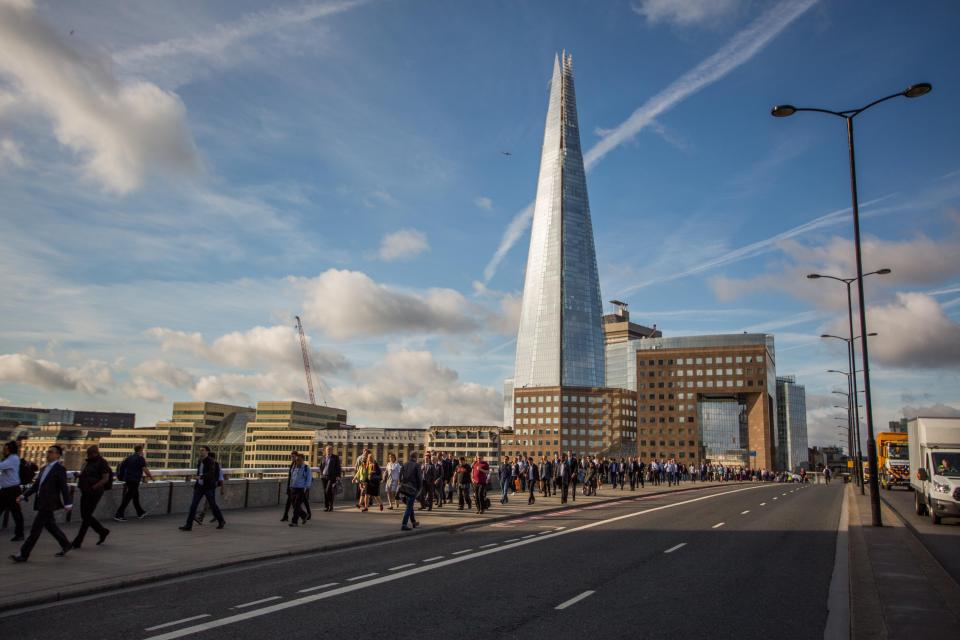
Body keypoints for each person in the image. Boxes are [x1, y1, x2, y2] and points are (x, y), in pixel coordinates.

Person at [11, 445, 73, 562]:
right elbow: (36, 486)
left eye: (51, 452)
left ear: (58, 455)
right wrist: (24, 495)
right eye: (48, 451)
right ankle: (66, 544)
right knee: (50, 526)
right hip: (41, 501)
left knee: (35, 530)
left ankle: (23, 554)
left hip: (49, 503)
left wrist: (68, 503)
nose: (47, 454)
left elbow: (64, 488)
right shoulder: (44, 468)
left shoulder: (60, 469)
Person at [71, 445, 112, 548]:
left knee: (86, 516)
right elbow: (87, 475)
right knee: (85, 515)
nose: (88, 455)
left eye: (89, 454)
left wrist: (95, 486)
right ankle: (102, 531)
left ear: (95, 453)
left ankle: (78, 540)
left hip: (95, 492)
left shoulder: (102, 462)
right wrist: (79, 476)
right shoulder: (88, 462)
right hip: (85, 490)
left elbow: (105, 478)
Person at [179, 446, 224, 531]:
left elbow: (211, 473)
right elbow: (199, 472)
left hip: (208, 487)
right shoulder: (200, 461)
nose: (201, 452)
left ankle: (221, 520)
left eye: (203, 450)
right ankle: (188, 525)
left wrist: (200, 477)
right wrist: (197, 480)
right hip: (199, 487)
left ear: (207, 452)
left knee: (213, 505)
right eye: (200, 450)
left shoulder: (211, 461)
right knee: (193, 506)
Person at [114, 445, 153, 521]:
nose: (143, 452)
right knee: (128, 498)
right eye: (142, 450)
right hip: (134, 480)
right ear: (140, 450)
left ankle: (140, 512)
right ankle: (118, 515)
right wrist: (151, 477)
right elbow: (144, 469)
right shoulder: (140, 458)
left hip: (128, 479)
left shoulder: (129, 458)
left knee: (135, 496)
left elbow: (123, 467)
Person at [0, 441, 24, 542]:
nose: (3, 451)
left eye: (5, 449)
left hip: (12, 490)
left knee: (16, 512)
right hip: (7, 490)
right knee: (15, 512)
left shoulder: (13, 458)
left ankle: (20, 534)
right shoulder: (10, 458)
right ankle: (19, 534)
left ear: (9, 449)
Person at [195, 456, 226, 526]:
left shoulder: (216, 466)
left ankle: (201, 517)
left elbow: (221, 479)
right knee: (210, 503)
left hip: (211, 488)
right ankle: (216, 517)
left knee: (210, 503)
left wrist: (222, 489)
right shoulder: (206, 465)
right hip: (205, 487)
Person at [287, 453, 312, 526]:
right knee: (295, 505)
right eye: (297, 460)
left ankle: (294, 522)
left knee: (297, 505)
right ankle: (304, 515)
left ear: (303, 460)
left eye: (299, 460)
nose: (297, 461)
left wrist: (306, 488)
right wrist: (290, 487)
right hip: (293, 489)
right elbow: (292, 478)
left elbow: (309, 479)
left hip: (301, 489)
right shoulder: (294, 467)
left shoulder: (306, 468)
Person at [398, 452, 421, 531]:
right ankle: (404, 524)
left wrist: (401, 484)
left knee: (410, 505)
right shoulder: (417, 465)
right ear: (416, 457)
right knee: (409, 507)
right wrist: (419, 489)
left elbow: (400, 476)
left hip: (404, 488)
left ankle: (414, 522)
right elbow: (419, 479)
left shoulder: (404, 464)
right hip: (412, 488)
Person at [320, 446, 341, 512]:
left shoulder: (335, 457)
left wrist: (338, 475)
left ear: (332, 450)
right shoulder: (323, 457)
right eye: (327, 450)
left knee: (327, 490)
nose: (328, 451)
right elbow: (321, 466)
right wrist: (321, 474)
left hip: (331, 477)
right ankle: (327, 506)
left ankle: (330, 505)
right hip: (324, 476)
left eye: (330, 450)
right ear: (325, 450)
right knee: (325, 492)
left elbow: (338, 467)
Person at [281, 450, 301, 522]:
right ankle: (285, 515)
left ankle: (304, 515)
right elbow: (290, 476)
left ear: (296, 456)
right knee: (290, 502)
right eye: (291, 456)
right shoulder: (293, 464)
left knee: (294, 504)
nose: (291, 458)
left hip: (296, 487)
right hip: (291, 486)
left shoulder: (298, 464)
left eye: (293, 456)